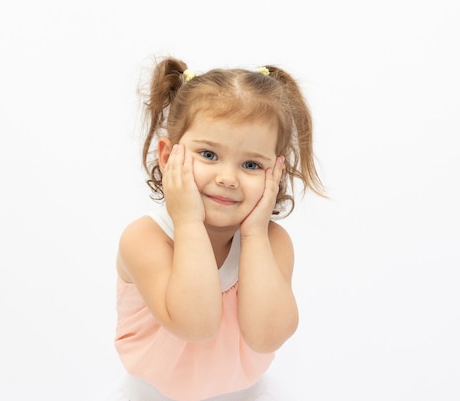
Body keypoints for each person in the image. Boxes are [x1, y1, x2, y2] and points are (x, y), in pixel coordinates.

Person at [109, 56, 326, 401]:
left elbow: (267, 337)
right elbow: (196, 325)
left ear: (276, 173)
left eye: (251, 164)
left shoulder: (272, 242)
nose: (227, 178)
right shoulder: (145, 239)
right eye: (209, 155)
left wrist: (254, 234)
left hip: (246, 394)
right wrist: (189, 222)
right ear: (167, 156)